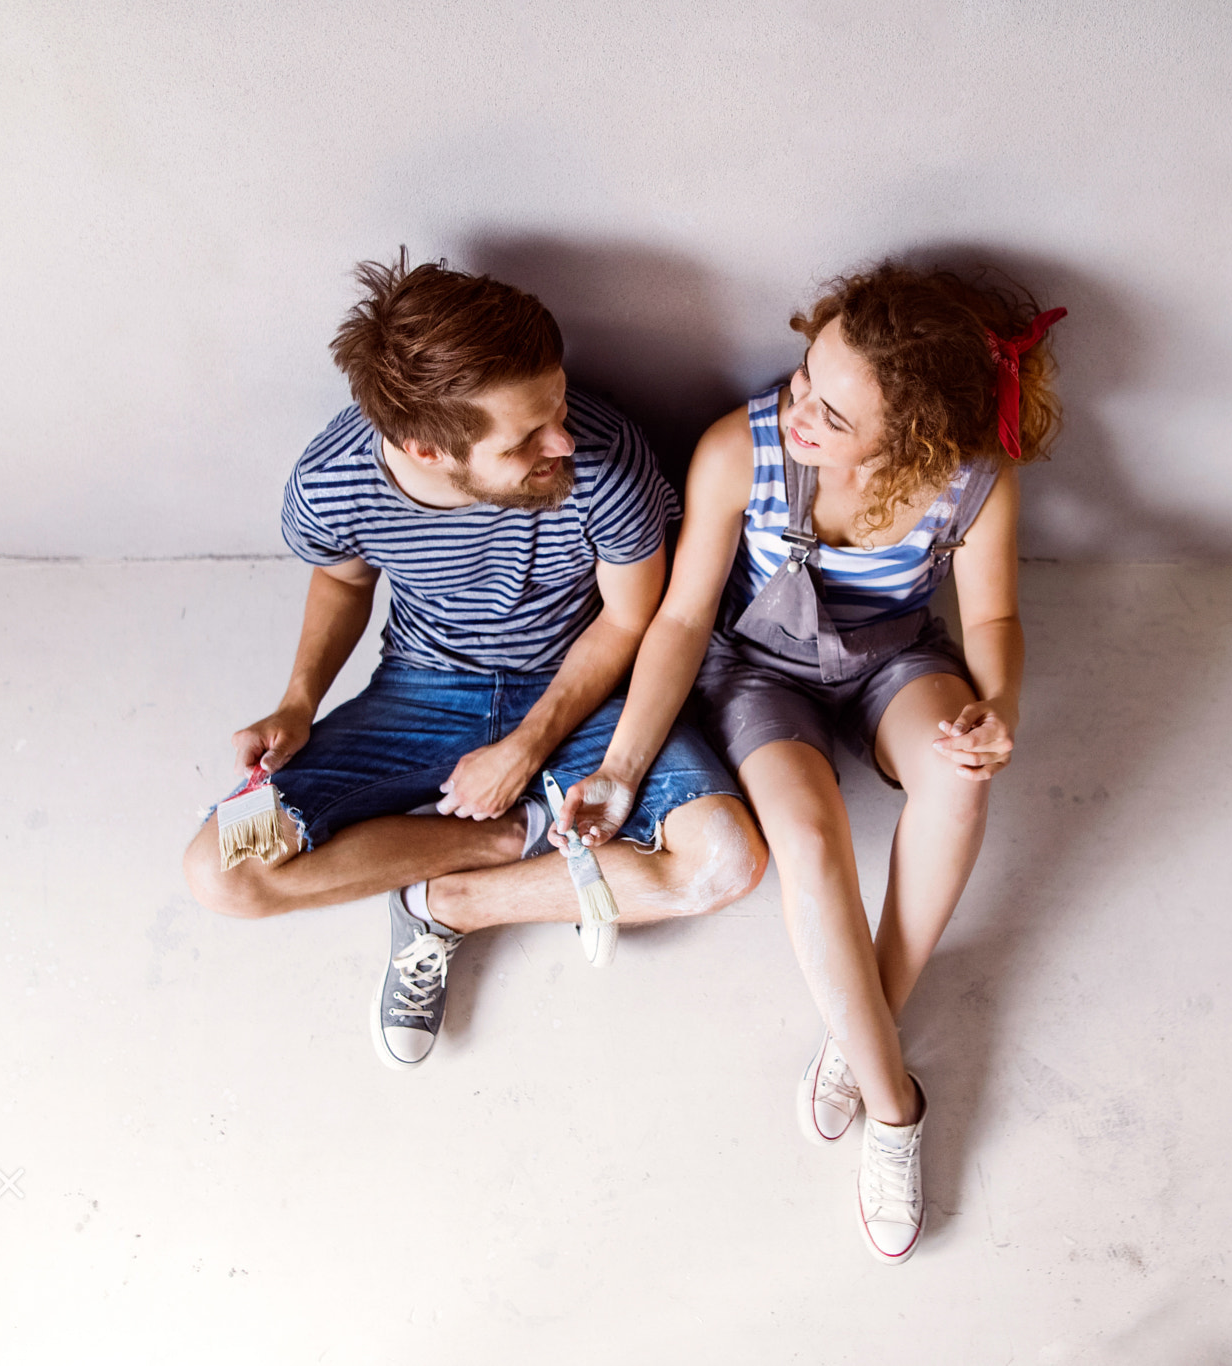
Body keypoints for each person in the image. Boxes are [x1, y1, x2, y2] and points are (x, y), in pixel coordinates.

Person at [556, 262, 1062, 1262]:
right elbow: (683, 619)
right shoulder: (737, 451)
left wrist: (995, 709)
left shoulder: (969, 484)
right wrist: (620, 765)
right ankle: (895, 1104)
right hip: (757, 669)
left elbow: (992, 616)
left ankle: (861, 1016)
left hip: (892, 655)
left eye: (832, 412)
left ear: (911, 438)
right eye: (800, 380)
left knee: (961, 781)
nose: (798, 411)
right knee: (805, 836)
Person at [182, 255, 766, 1069]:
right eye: (527, 436)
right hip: (418, 691)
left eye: (556, 403)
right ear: (425, 450)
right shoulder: (331, 482)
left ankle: (447, 903)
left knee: (725, 858)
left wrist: (527, 746)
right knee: (222, 871)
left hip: (582, 693)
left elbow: (635, 618)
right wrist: (298, 702)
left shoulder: (608, 463)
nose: (563, 440)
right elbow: (341, 582)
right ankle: (507, 838)